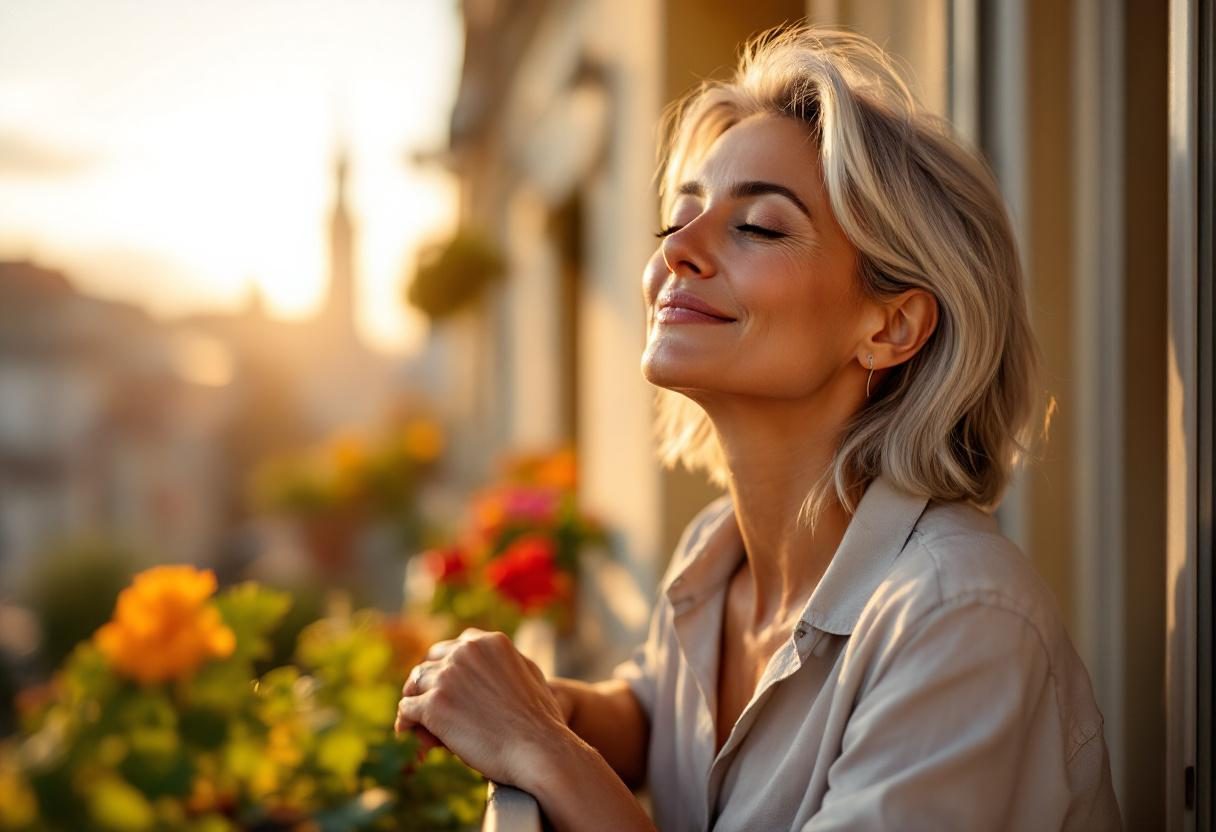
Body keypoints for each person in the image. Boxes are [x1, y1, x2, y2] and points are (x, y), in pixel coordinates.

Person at [395, 24, 1122, 831]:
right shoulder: (717, 557)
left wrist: (539, 746)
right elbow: (657, 713)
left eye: (760, 227)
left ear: (892, 326)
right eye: (678, 219)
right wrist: (538, 700)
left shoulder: (960, 620)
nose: (680, 252)